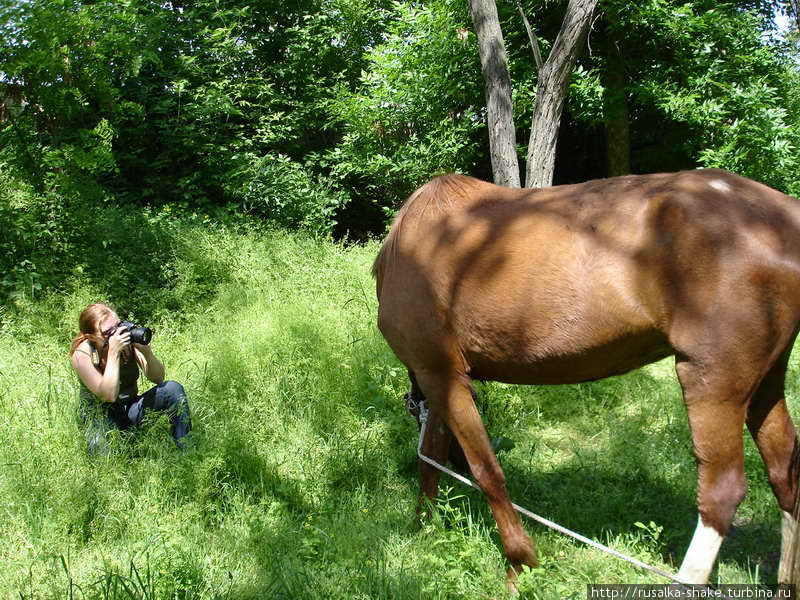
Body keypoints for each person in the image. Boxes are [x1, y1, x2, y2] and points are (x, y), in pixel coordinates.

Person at [69, 302, 192, 454]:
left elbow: (158, 377)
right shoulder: (83, 355)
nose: (117, 334)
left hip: (129, 409)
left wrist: (147, 353)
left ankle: (187, 450)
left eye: (119, 326)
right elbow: (108, 395)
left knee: (172, 389)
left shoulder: (127, 342)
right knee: (102, 454)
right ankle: (124, 444)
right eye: (108, 332)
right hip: (99, 415)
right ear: (91, 337)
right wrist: (113, 352)